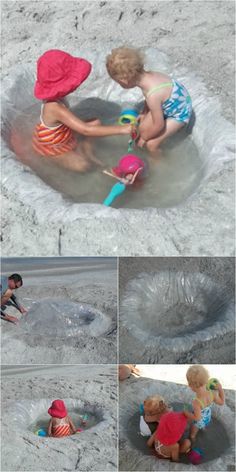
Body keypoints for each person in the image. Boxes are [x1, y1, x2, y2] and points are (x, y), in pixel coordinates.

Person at [33, 49, 132, 172]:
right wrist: (123, 129)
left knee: (95, 122)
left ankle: (86, 149)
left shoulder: (56, 98)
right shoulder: (54, 107)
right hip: (53, 147)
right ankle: (78, 153)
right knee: (83, 165)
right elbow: (85, 130)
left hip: (64, 135)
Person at [106, 47, 192, 153]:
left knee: (151, 144)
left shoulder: (153, 95)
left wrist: (144, 139)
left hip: (180, 114)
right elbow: (149, 99)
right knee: (142, 128)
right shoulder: (149, 77)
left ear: (125, 80)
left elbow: (159, 125)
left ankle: (158, 163)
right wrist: (144, 113)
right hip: (174, 101)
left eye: (118, 82)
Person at [183, 365, 225, 441]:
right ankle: (203, 428)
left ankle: (192, 440)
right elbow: (222, 402)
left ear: (190, 385)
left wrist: (186, 413)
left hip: (199, 420)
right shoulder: (213, 393)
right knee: (201, 423)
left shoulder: (197, 402)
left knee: (192, 433)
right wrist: (220, 389)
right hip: (207, 417)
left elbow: (197, 418)